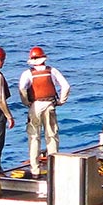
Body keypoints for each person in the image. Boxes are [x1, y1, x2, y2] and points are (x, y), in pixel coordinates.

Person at [18, 46, 71, 178]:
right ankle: (54, 167)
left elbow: (22, 89)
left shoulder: (28, 74)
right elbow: (66, 86)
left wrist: (26, 102)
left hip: (35, 105)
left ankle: (35, 169)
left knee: (34, 137)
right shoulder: (52, 71)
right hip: (50, 104)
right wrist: (61, 101)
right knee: (52, 136)